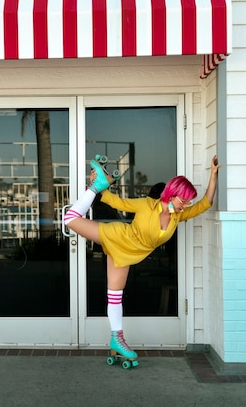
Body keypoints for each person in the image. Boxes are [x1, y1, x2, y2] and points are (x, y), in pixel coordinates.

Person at [63, 155, 221, 361]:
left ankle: (116, 340)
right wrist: (100, 188)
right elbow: (117, 202)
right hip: (118, 236)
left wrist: (214, 174)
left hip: (126, 254)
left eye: (188, 201)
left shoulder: (177, 216)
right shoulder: (147, 204)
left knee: (115, 295)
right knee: (70, 219)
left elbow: (206, 203)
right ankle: (95, 186)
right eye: (183, 200)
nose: (185, 205)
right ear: (172, 195)